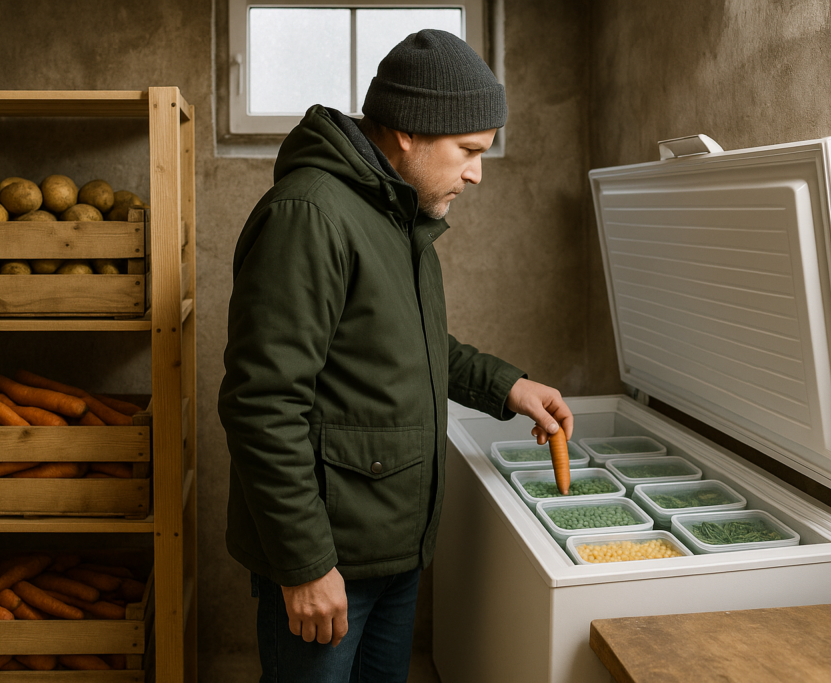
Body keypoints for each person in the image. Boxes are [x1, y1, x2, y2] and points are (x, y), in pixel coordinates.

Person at [218, 28, 574, 683]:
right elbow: (262, 403)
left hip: (393, 550)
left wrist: (508, 387)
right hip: (329, 563)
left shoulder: (395, 216)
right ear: (408, 131)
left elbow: (410, 348)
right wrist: (304, 563)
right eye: (468, 150)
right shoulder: (310, 215)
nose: (476, 171)